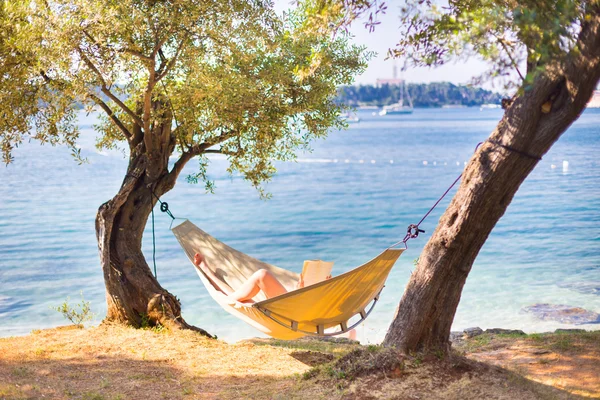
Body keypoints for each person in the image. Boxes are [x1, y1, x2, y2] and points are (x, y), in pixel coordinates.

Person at [193, 252, 330, 303]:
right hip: (293, 305)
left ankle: (228, 299)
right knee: (243, 299)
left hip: (291, 311)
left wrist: (301, 291)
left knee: (262, 275)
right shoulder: (337, 310)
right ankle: (207, 271)